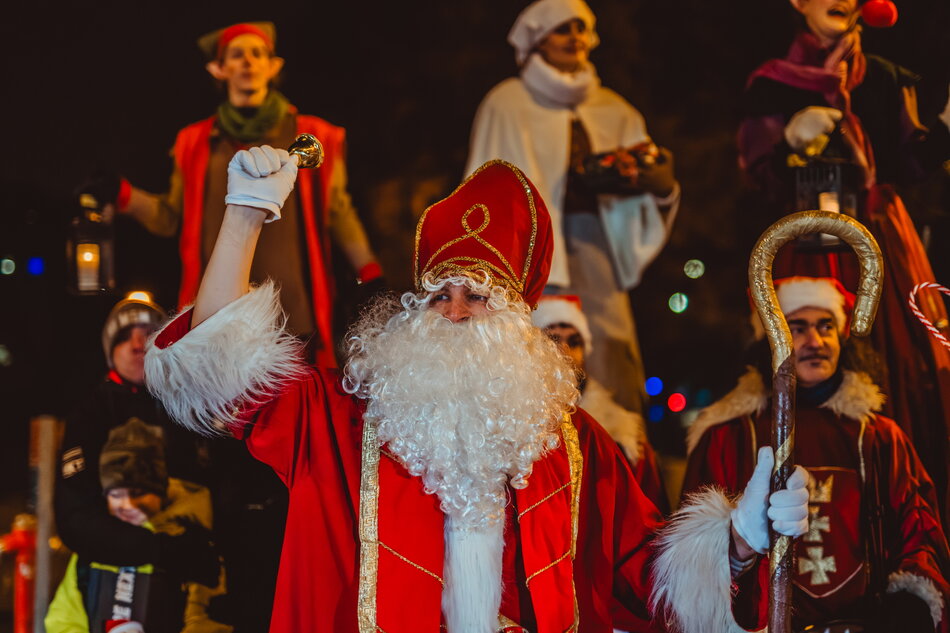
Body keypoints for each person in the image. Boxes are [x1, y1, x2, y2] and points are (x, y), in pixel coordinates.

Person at [143, 145, 810, 632]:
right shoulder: (341, 419)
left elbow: (650, 574)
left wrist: (740, 538)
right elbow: (216, 373)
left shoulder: (574, 444)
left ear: (519, 318)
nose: (456, 312)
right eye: (439, 295)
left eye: (478, 296)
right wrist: (244, 217)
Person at [737, 0, 950, 513]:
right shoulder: (771, 84)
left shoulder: (886, 78)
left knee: (904, 358)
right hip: (807, 244)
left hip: (881, 239)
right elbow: (758, 175)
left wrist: (944, 128)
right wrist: (788, 142)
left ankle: (898, 500)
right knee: (809, 352)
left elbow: (910, 163)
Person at [93, 21, 382, 366]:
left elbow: (338, 210)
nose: (248, 61)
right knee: (221, 414)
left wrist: (370, 271)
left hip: (293, 314)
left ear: (273, 66)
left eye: (257, 53)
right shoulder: (194, 143)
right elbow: (170, 219)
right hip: (220, 314)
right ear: (219, 69)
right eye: (237, 54)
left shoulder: (312, 135)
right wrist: (123, 194)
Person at [683, 276, 950, 632]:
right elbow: (694, 546)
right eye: (798, 327)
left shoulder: (880, 437)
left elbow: (918, 526)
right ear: (772, 337)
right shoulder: (727, 436)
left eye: (826, 326)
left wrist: (912, 597)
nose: (816, 341)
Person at [466, 0, 680, 414]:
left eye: (580, 28)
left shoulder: (614, 109)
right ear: (537, 38)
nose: (574, 38)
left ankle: (618, 457)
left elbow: (648, 180)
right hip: (529, 253)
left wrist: (661, 187)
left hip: (598, 249)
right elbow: (482, 187)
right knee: (530, 357)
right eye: (562, 29)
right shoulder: (506, 104)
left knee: (610, 358)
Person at [55, 293, 219, 595]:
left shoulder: (191, 406)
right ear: (109, 350)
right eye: (124, 337)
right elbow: (75, 517)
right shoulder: (90, 414)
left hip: (195, 575)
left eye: (148, 336)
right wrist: (162, 550)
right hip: (115, 576)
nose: (137, 344)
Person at [46, 418, 229, 633]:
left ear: (160, 491)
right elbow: (62, 621)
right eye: (116, 494)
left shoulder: (188, 540)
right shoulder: (93, 548)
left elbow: (207, 621)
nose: (128, 505)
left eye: (139, 493)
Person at [531, 294, 669, 513]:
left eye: (574, 342)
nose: (565, 351)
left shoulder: (623, 435)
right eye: (553, 339)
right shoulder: (516, 423)